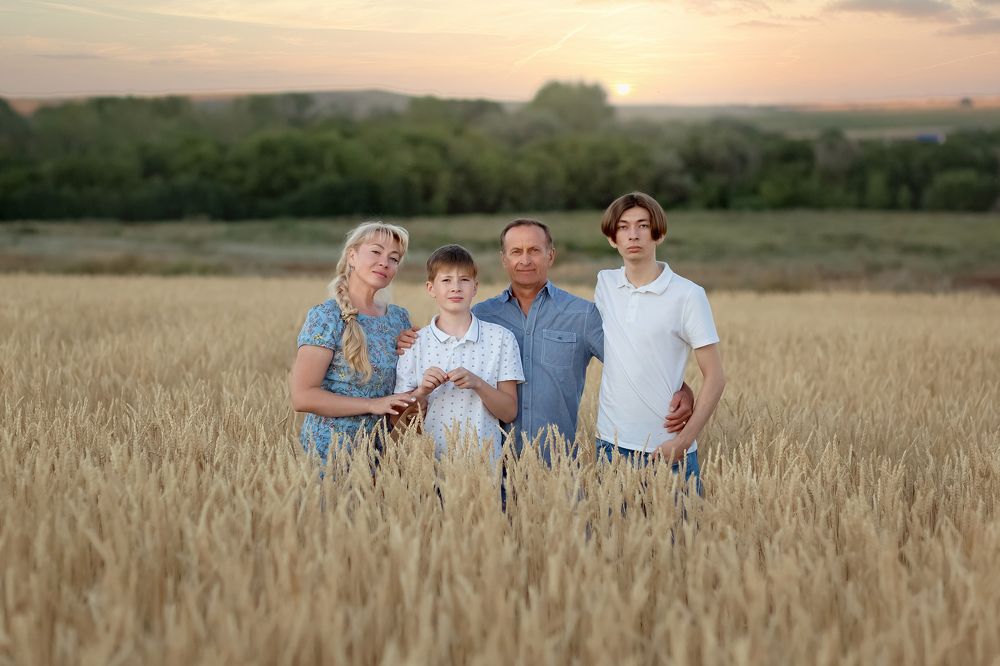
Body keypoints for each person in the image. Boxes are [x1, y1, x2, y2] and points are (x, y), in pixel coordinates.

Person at [398, 219, 694, 464]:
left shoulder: (582, 314)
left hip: (558, 460)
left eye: (534, 250)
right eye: (516, 251)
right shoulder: (482, 316)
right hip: (490, 461)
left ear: (550, 256)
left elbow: (627, 363)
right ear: (504, 259)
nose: (525, 259)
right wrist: (409, 340)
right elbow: (444, 342)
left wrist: (680, 387)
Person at [595, 192, 726, 492]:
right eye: (624, 227)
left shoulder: (688, 295)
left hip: (666, 447)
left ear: (659, 233)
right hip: (610, 444)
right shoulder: (605, 284)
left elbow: (716, 377)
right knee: (614, 537)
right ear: (612, 238)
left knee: (682, 537)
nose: (633, 235)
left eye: (643, 225)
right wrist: (682, 386)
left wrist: (683, 441)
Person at [290, 221, 417, 463]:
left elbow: (406, 382)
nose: (384, 263)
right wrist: (372, 405)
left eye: (394, 258)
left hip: (382, 451)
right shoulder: (326, 317)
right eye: (376, 252)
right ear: (352, 256)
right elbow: (302, 396)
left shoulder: (399, 318)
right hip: (330, 451)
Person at [394, 245, 524, 462]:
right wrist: (422, 391)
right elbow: (397, 421)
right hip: (427, 468)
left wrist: (478, 384)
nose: (456, 287)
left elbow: (509, 412)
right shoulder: (414, 344)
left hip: (483, 465)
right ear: (430, 288)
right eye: (446, 280)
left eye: (464, 280)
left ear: (475, 287)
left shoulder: (501, 338)